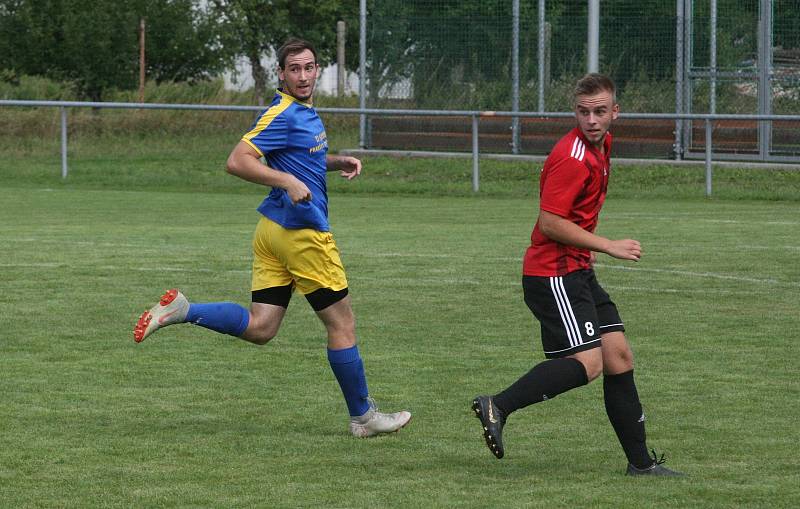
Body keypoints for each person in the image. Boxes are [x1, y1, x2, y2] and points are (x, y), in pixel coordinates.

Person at [133, 37, 411, 438]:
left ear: (318, 70)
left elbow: (300, 158)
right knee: (342, 325)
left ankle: (184, 309)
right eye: (294, 69)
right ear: (281, 74)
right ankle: (364, 418)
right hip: (302, 235)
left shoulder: (303, 111)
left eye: (309, 67)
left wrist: (335, 162)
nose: (303, 75)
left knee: (262, 327)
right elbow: (237, 161)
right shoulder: (282, 112)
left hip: (273, 232)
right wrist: (286, 180)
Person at [472, 73, 682, 476]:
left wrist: (587, 250)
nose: (591, 120)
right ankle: (498, 405)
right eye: (584, 112)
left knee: (618, 356)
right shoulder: (573, 158)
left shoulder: (603, 144)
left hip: (576, 268)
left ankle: (641, 465)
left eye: (600, 111)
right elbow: (549, 222)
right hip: (553, 273)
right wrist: (606, 244)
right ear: (575, 112)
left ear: (614, 112)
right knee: (588, 363)